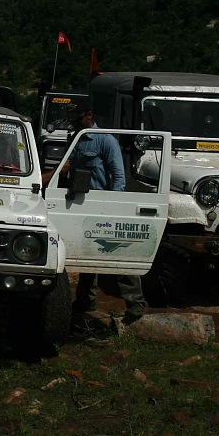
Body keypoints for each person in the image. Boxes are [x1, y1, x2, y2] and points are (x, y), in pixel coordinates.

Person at [61, 100, 148, 321]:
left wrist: (114, 204)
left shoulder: (106, 140)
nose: (74, 123)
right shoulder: (75, 140)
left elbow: (118, 175)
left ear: (89, 115)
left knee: (119, 253)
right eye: (72, 119)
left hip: (103, 203)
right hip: (80, 203)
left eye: (77, 118)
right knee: (88, 252)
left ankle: (136, 305)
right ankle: (85, 302)